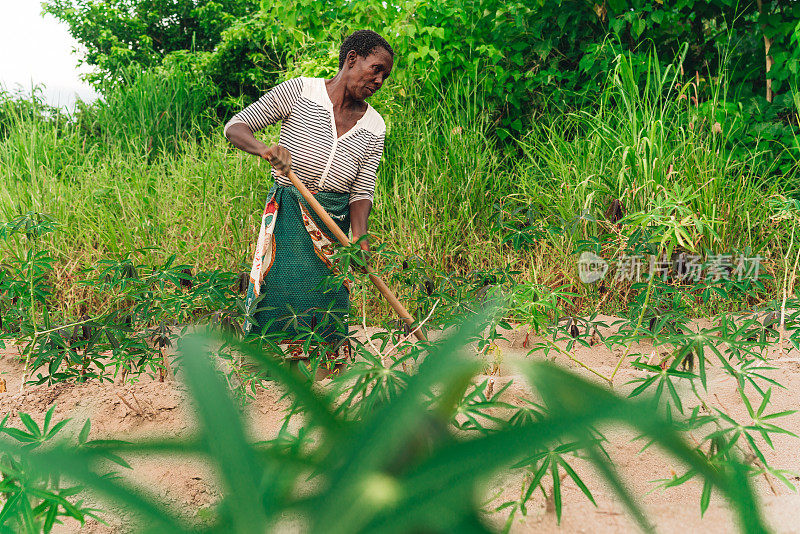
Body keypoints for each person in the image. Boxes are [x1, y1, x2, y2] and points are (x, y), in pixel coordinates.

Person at [224, 30, 394, 367]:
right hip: (289, 215)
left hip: (334, 226)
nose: (379, 79)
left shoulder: (375, 125)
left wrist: (359, 236)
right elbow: (236, 127)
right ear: (351, 59)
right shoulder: (300, 92)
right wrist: (266, 150)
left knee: (328, 299)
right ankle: (270, 368)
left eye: (385, 75)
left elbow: (362, 190)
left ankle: (324, 369)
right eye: (375, 69)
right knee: (280, 293)